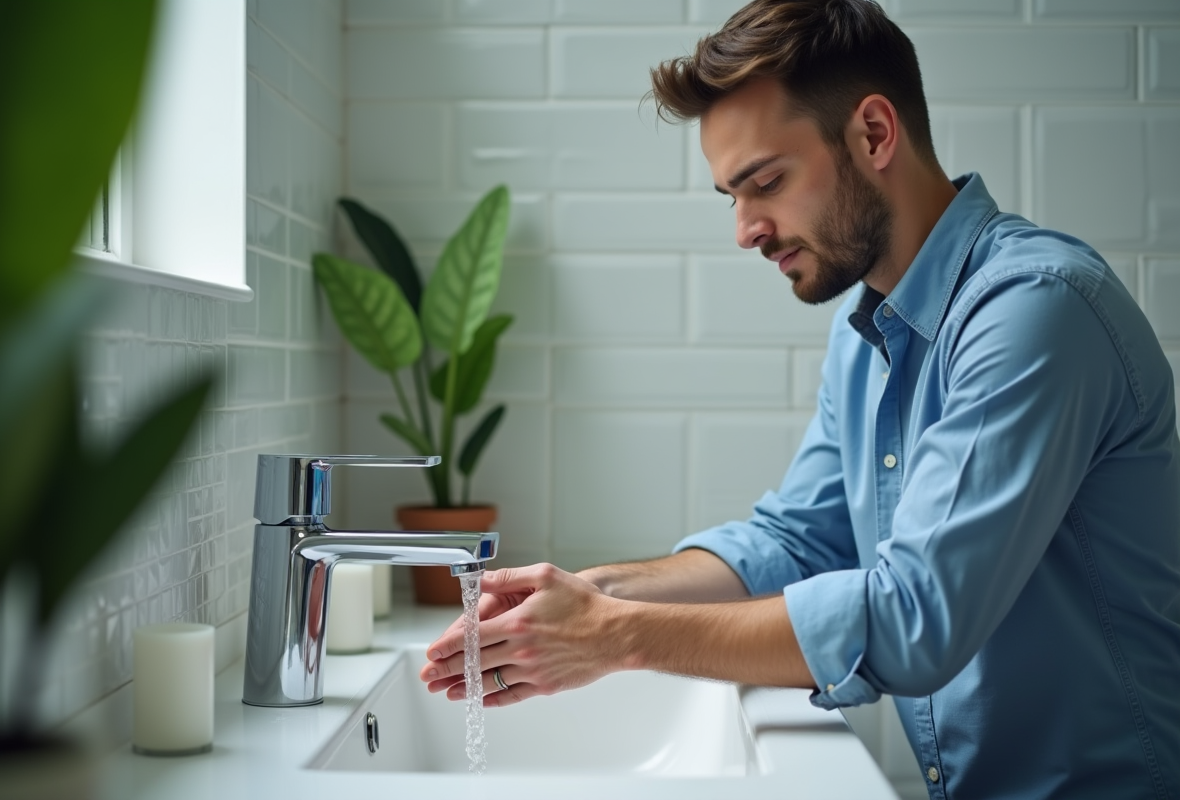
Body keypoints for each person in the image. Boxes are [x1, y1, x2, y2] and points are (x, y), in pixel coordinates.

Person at [419, 0, 1180, 796]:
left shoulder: (1034, 308)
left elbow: (916, 618)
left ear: (875, 134)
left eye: (767, 183)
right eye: (732, 196)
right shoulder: (866, 336)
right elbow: (797, 543)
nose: (746, 229)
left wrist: (617, 636)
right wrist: (591, 593)